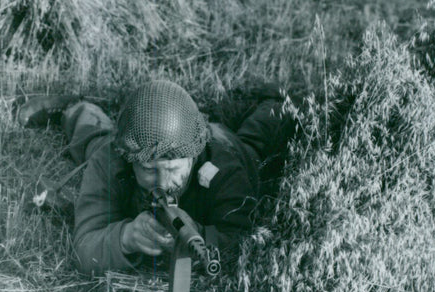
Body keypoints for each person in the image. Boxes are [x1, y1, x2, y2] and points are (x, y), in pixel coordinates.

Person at [19, 80, 296, 276]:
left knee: (255, 144)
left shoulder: (224, 166)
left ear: (193, 156)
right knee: (94, 143)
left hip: (233, 146)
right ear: (130, 160)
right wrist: (126, 237)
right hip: (126, 146)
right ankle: (76, 108)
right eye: (149, 170)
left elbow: (242, 241)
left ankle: (276, 100)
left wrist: (202, 236)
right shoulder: (114, 159)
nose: (163, 184)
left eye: (174, 169)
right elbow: (85, 247)